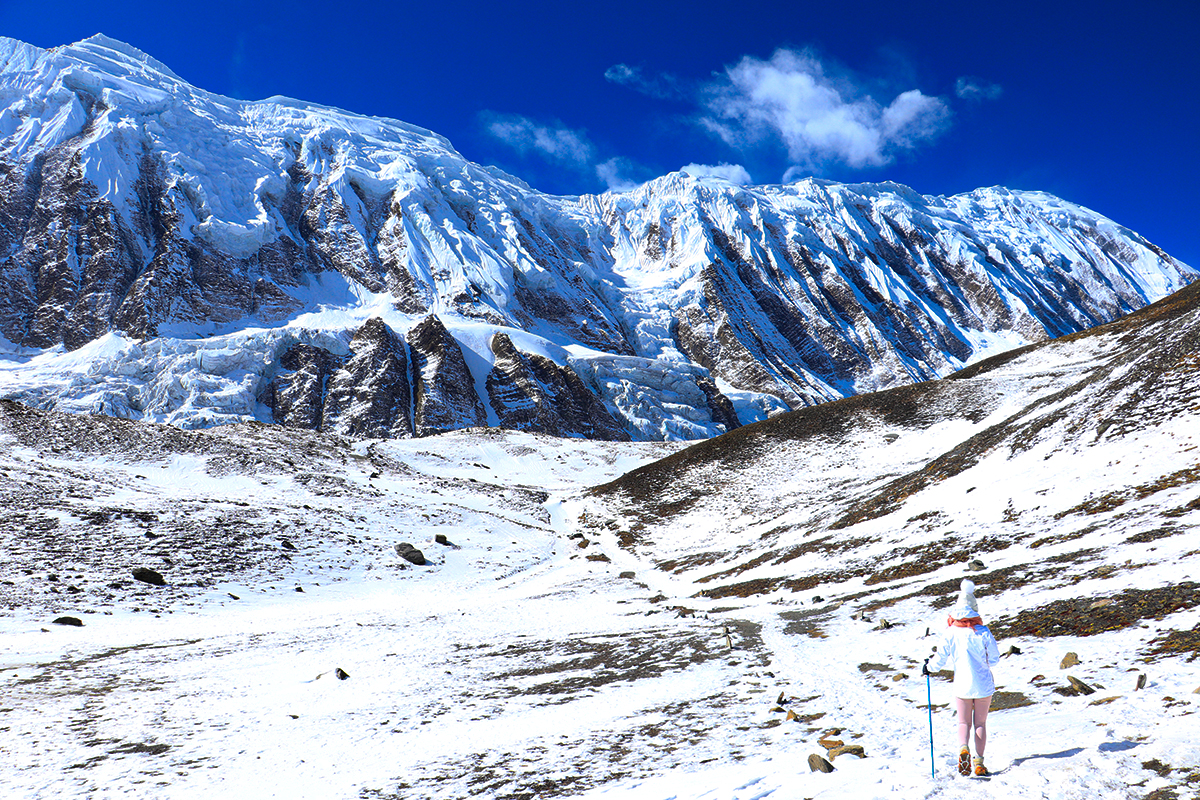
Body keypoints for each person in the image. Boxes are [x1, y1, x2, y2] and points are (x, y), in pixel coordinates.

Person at [922, 578, 1001, 777]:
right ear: (975, 610)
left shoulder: (951, 633)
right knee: (980, 723)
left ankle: (963, 748)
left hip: (962, 685)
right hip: (983, 684)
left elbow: (939, 660)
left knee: (963, 722)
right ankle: (979, 763)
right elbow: (995, 659)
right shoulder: (983, 631)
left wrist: (928, 668)